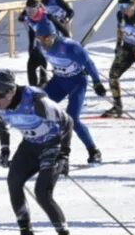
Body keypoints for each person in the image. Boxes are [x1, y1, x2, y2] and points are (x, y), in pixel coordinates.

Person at [0, 71, 80, 235]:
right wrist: (5, 148)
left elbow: (67, 122)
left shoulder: (37, 102)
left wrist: (65, 154)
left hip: (52, 144)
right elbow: (1, 124)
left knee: (42, 193)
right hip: (30, 145)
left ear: (11, 92)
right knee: (13, 182)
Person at [32, 19, 107, 164]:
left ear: (52, 36)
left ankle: (93, 150)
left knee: (72, 119)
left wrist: (97, 82)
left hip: (77, 83)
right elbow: (39, 60)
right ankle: (44, 150)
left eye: (44, 39)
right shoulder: (40, 45)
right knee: (39, 110)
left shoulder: (69, 47)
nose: (42, 42)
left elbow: (88, 63)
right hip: (58, 81)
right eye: (39, 39)